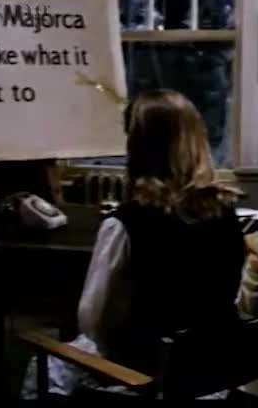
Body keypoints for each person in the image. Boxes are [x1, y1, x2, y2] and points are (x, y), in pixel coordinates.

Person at [21, 89, 246, 399]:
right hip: (214, 377)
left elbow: (93, 324)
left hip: (148, 380)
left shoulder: (125, 223)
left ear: (138, 148)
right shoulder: (227, 214)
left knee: (44, 367)